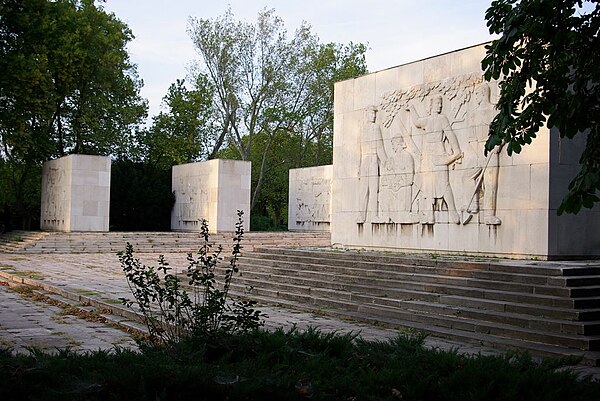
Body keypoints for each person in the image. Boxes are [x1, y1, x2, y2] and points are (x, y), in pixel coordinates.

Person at [406, 95, 462, 224]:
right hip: (427, 155)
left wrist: (456, 150)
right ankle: (430, 215)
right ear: (430, 106)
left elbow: (450, 134)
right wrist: (412, 108)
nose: (440, 106)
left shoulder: (442, 118)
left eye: (441, 103)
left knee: (444, 183)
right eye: (437, 103)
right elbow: (417, 121)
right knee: (428, 185)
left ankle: (453, 211)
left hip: (439, 153)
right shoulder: (426, 120)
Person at [462, 83, 502, 225]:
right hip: (477, 150)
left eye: (477, 94)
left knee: (491, 184)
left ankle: (489, 216)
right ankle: (473, 204)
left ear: (483, 93)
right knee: (466, 176)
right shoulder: (473, 114)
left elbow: (501, 131)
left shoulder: (495, 110)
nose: (476, 97)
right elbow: (471, 137)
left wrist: (498, 144)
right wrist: (477, 152)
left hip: (491, 151)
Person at [356, 106, 387, 224]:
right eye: (371, 113)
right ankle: (361, 216)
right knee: (363, 190)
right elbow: (358, 150)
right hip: (364, 160)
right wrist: (358, 166)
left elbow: (380, 147)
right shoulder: (362, 129)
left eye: (374, 114)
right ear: (366, 114)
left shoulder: (376, 128)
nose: (373, 116)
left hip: (374, 159)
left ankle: (374, 215)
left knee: (374, 189)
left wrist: (385, 162)